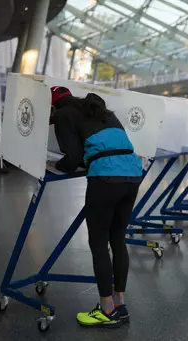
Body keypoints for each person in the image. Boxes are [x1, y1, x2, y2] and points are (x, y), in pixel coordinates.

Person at [50, 86, 143, 328]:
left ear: (53, 106)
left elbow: (72, 158)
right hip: (132, 174)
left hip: (106, 177)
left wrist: (56, 165)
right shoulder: (102, 111)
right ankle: (120, 304)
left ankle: (106, 310)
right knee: (117, 238)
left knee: (98, 242)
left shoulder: (63, 115)